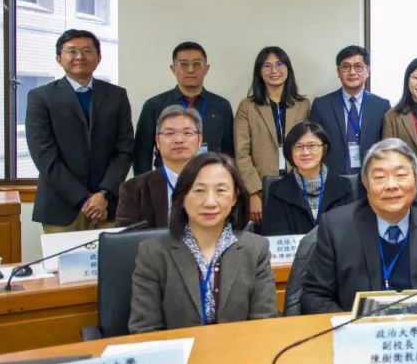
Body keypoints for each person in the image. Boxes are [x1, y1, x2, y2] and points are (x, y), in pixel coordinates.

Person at [300, 139, 417, 313]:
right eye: (379, 177)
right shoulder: (337, 227)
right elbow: (315, 296)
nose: (391, 185)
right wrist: (353, 326)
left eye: (401, 175)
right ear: (365, 183)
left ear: (416, 180)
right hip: (359, 330)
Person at [128, 152, 277, 333]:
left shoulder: (256, 249)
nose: (210, 202)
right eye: (199, 191)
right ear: (182, 197)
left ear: (235, 197)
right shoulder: (153, 252)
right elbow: (145, 330)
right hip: (177, 351)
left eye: (221, 190)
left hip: (240, 349)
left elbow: (264, 323)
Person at [26, 29, 134, 233]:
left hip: (108, 206)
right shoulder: (41, 97)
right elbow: (44, 156)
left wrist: (104, 194)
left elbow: (124, 150)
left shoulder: (116, 95)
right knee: (62, 256)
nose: (79, 56)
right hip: (61, 206)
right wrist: (84, 199)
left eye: (87, 50)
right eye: (71, 51)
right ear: (59, 58)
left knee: (112, 255)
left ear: (99, 57)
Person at [234, 46, 311, 224]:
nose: (274, 70)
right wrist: (253, 193)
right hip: (263, 187)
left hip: (298, 185)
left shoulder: (303, 105)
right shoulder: (247, 107)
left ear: (288, 69)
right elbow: (241, 153)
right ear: (259, 72)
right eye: (267, 66)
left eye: (280, 64)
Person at [131, 41, 234, 175]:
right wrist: (145, 185)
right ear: (173, 69)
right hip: (166, 180)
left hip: (210, 179)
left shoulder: (222, 106)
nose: (190, 70)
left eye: (197, 64)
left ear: (206, 69)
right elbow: (142, 155)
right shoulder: (154, 105)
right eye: (184, 64)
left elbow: (229, 152)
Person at [260, 122, 356, 236]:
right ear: (290, 151)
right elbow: (276, 235)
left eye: (312, 146)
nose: (305, 152)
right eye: (299, 146)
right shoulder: (277, 190)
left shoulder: (343, 187)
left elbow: (350, 231)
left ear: (324, 148)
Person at [309, 45, 391, 177]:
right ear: (338, 71)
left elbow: (387, 146)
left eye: (358, 67)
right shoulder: (321, 105)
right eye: (346, 67)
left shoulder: (382, 106)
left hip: (372, 177)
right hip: (332, 178)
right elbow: (313, 144)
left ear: (368, 70)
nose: (352, 72)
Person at [117, 106, 203, 228]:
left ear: (199, 140)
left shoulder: (220, 184)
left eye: (187, 133)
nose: (179, 140)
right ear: (157, 141)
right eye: (169, 133)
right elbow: (125, 237)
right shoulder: (134, 189)